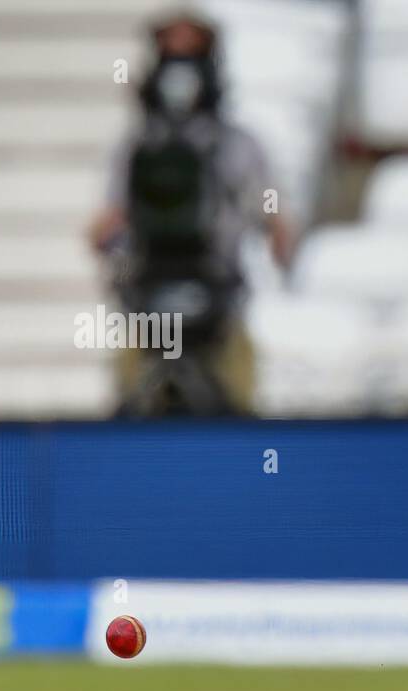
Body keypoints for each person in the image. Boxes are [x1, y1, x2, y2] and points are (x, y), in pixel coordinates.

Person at [88, 11, 291, 416]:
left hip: (220, 311)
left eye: (192, 54)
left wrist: (270, 229)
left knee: (238, 401)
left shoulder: (240, 145)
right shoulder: (136, 148)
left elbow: (279, 227)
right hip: (148, 317)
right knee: (128, 405)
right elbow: (103, 228)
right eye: (171, 54)